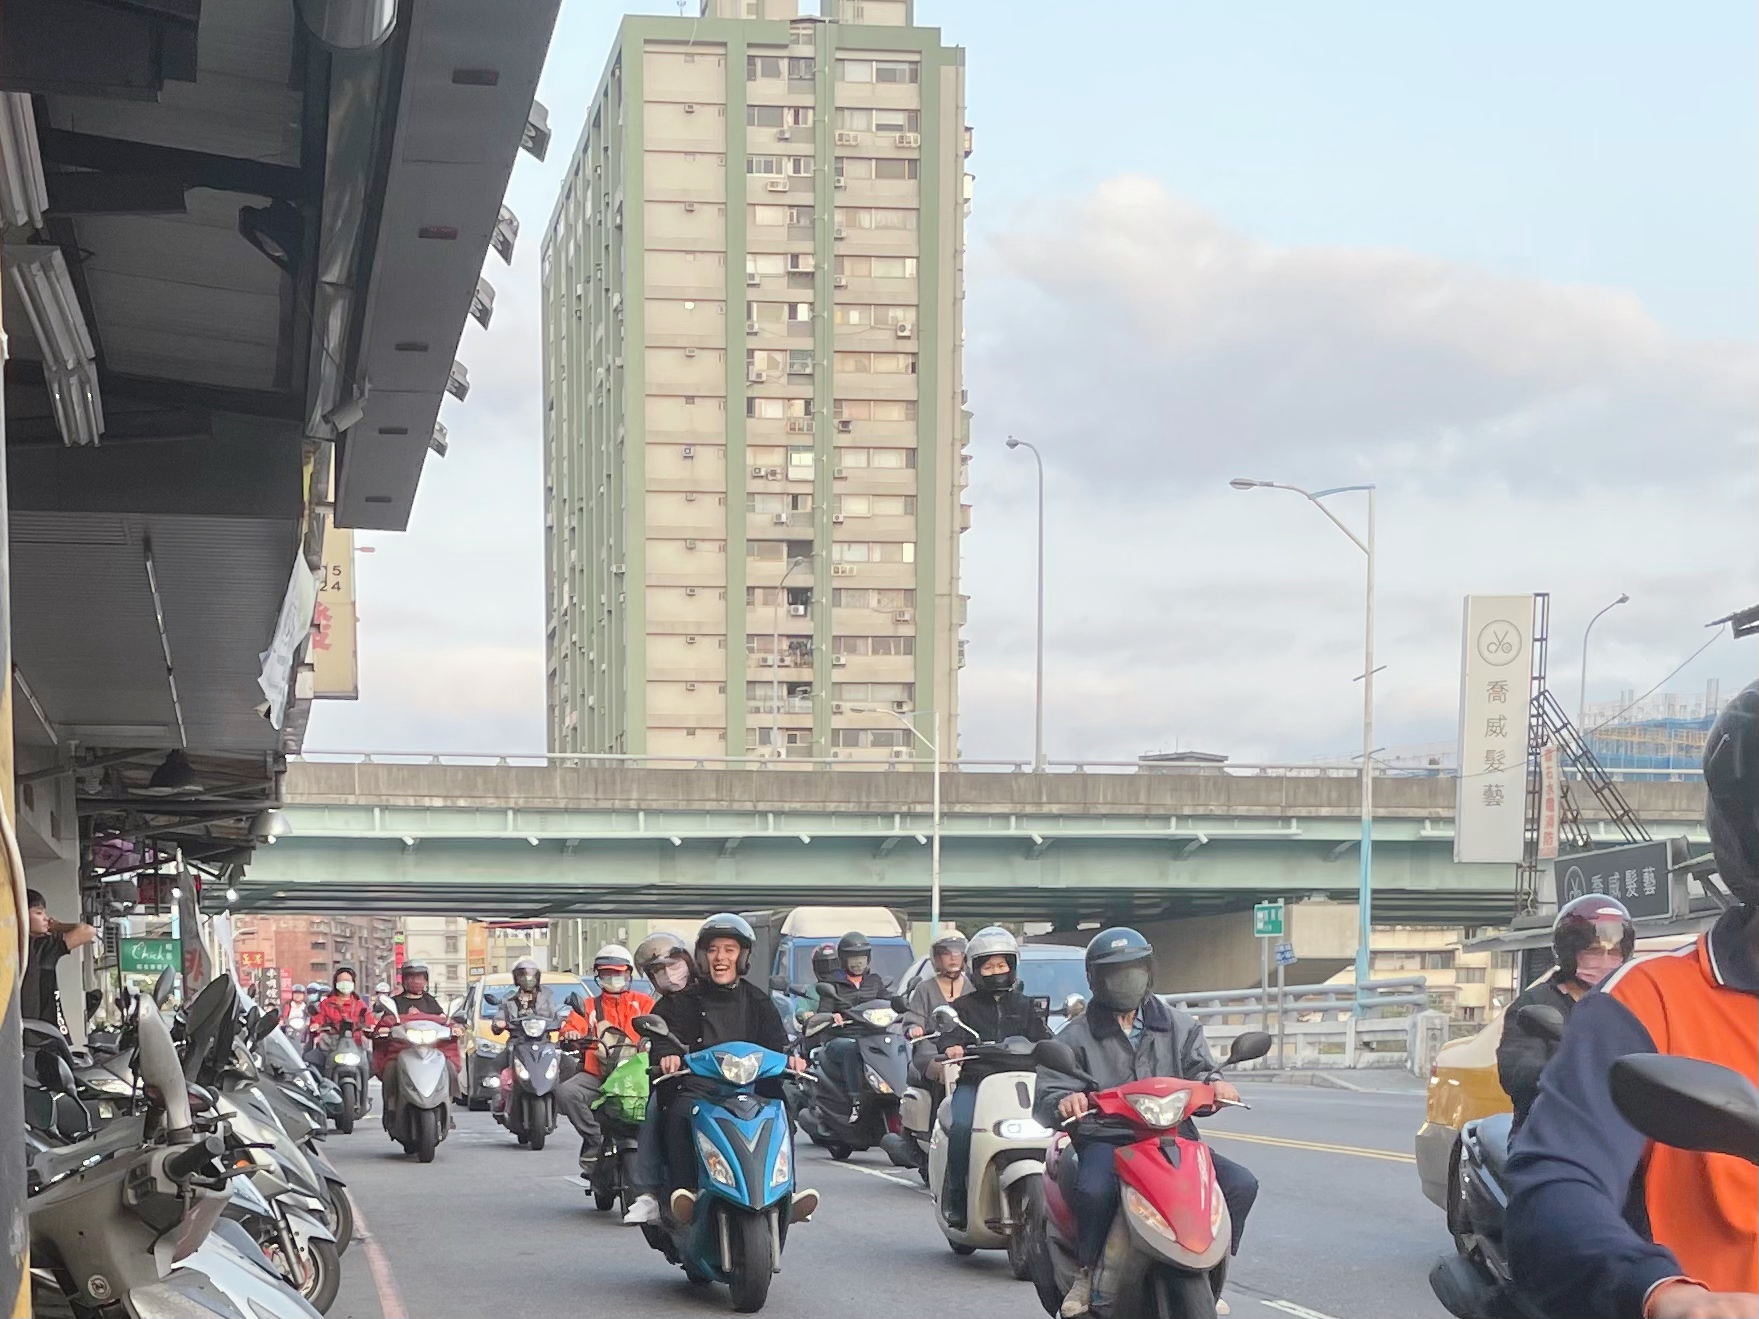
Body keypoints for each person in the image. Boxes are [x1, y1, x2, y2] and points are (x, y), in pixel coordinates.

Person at [1506, 681, 1759, 1319]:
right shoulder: (1644, 1003)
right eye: (1589, 943)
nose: (1599, 951)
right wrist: (1669, 1298)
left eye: (1607, 941)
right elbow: (1557, 1180)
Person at [1034, 927, 1257, 1318]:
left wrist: (1217, 1085)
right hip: (1107, 1138)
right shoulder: (1074, 1036)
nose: (1127, 979)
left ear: (1149, 971)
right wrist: (1066, 1100)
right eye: (1116, 972)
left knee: (1240, 1184)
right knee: (1094, 1190)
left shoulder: (1178, 1026)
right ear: (1095, 979)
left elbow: (1202, 1071)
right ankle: (1087, 1273)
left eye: (1134, 969)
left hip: (1174, 1137)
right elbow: (1049, 1096)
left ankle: (1210, 1270)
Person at [650, 914, 815, 1225]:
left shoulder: (758, 1001)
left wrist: (792, 1060)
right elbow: (663, 1037)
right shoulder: (682, 1001)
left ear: (743, 957)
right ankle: (683, 1192)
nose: (721, 958)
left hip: (751, 1089)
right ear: (702, 956)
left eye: (729, 949)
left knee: (783, 1111)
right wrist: (668, 1055)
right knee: (676, 1114)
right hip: (700, 1088)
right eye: (713, 950)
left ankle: (785, 1189)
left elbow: (778, 1044)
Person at [927, 926, 1050, 1230]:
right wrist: (952, 1047)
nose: (996, 971)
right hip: (978, 1083)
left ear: (1012, 966)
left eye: (1002, 965)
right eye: (988, 966)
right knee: (962, 1128)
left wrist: (1060, 1049)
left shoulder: (1026, 1006)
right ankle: (957, 1199)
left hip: (1021, 1083)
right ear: (976, 969)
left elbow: (1045, 1038)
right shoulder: (963, 1008)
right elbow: (948, 1036)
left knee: (1058, 1127)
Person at [1496, 895, 1634, 1132]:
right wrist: (1571, 1071)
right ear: (1569, 953)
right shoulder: (1535, 1002)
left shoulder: (1633, 1002)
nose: (1604, 961)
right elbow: (1517, 1072)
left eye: (1613, 953)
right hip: (1549, 1130)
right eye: (1593, 951)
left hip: (1619, 1128)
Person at [556, 944, 657, 1177]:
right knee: (566, 1092)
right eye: (606, 974)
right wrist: (571, 1035)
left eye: (618, 973)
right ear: (598, 976)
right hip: (598, 1076)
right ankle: (594, 1139)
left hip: (637, 1077)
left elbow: (658, 1026)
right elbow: (572, 1027)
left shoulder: (643, 1003)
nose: (613, 978)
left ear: (629, 974)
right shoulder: (589, 1006)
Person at [621, 931, 697, 1226]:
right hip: (681, 1082)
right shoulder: (662, 1008)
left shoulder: (715, 994)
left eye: (673, 964)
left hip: (726, 1078)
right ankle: (651, 1193)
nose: (668, 974)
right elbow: (658, 1041)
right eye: (658, 971)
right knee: (655, 1110)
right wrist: (667, 1058)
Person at [373, 962, 460, 1131]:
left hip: (431, 1049)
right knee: (390, 1071)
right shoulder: (395, 1003)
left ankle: (447, 1105)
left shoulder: (430, 1002)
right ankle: (391, 1108)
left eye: (420, 977)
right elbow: (385, 1023)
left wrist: (454, 1028)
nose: (416, 981)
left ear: (426, 980)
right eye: (412, 977)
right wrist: (384, 1030)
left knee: (449, 1068)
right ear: (404, 980)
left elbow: (443, 1020)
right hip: (401, 1050)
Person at [817, 930, 894, 1108]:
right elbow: (824, 1011)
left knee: (899, 1046)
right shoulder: (832, 984)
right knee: (852, 1048)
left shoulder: (874, 981)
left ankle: (898, 1093)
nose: (859, 963)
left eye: (862, 958)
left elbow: (888, 1001)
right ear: (843, 959)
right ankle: (855, 1100)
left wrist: (900, 1005)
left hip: (873, 1036)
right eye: (853, 958)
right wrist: (832, 1016)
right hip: (842, 1038)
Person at [492, 958, 560, 1115]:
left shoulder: (547, 996)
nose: (527, 978)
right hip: (518, 1042)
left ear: (538, 977)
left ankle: (561, 1096)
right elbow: (500, 1015)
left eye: (531, 974)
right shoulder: (509, 999)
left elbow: (554, 1013)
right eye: (522, 975)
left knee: (567, 1062)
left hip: (543, 1042)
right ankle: (502, 1097)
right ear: (516, 978)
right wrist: (499, 1022)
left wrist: (562, 1022)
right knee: (500, 1061)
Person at [22, 890, 95, 1029]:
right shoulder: (43, 947)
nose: (46, 918)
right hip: (41, 1030)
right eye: (39, 913)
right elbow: (87, 931)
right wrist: (58, 926)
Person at [306, 965, 376, 1072]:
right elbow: (317, 1019)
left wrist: (371, 1027)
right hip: (331, 1045)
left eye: (348, 980)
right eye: (342, 981)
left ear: (353, 983)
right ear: (336, 983)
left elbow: (369, 1020)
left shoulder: (360, 1005)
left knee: (372, 1061)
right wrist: (316, 1026)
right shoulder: (326, 1004)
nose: (345, 983)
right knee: (311, 1060)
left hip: (356, 1045)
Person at [904, 932, 971, 1038]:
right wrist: (915, 1028)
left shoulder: (973, 988)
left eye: (958, 952)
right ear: (936, 957)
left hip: (967, 1051)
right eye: (946, 953)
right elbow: (913, 1020)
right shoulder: (924, 989)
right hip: (932, 1050)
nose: (953, 957)